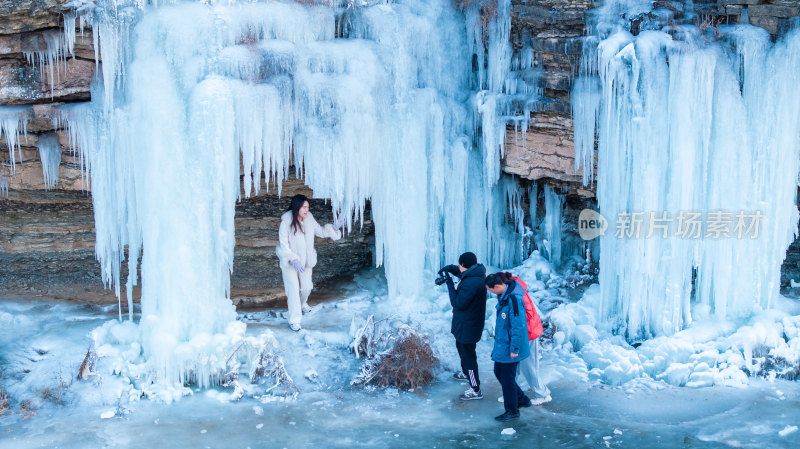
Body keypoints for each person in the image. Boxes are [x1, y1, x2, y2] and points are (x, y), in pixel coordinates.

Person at [276, 194, 342, 331]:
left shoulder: (309, 218)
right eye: (304, 207)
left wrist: (333, 228)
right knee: (293, 290)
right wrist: (293, 258)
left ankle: (302, 304)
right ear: (297, 207)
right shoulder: (286, 222)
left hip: (306, 260)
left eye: (308, 207)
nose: (307, 210)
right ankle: (294, 320)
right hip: (290, 262)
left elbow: (321, 232)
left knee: (306, 287)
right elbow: (283, 245)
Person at [494, 272, 551, 405]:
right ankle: (511, 393)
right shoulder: (510, 291)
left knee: (529, 366)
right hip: (518, 335)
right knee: (513, 367)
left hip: (528, 334)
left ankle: (543, 394)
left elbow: (522, 319)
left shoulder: (517, 295)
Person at [438, 252, 486, 401]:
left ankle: (475, 388)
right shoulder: (476, 274)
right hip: (466, 323)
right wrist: (451, 268)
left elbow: (457, 302)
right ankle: (466, 373)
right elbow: (463, 274)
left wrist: (449, 283)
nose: (459, 267)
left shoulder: (471, 283)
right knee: (461, 347)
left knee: (468, 356)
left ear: (464, 265)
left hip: (468, 326)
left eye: (459, 264)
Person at [486, 273, 531, 422]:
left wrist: (515, 349)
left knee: (507, 378)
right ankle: (522, 399)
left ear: (497, 286)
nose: (490, 293)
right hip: (503, 344)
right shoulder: (504, 297)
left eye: (490, 290)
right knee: (499, 372)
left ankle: (512, 410)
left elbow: (518, 325)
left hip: (510, 347)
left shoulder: (513, 299)